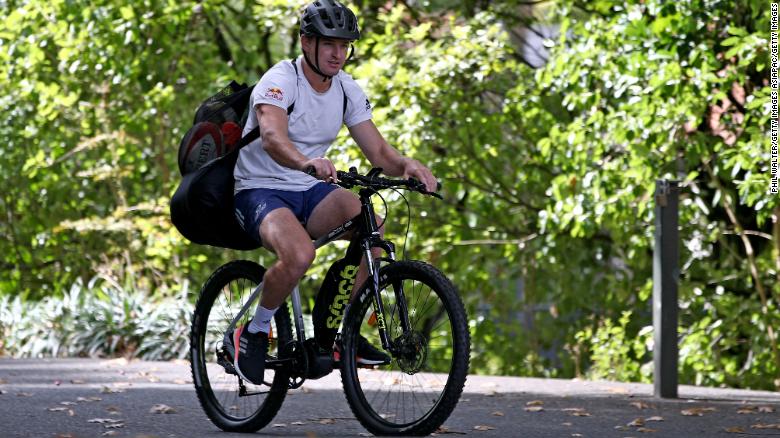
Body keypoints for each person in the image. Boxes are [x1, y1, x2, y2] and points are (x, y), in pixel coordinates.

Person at [228, 0, 437, 385]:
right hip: (260, 188)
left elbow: (379, 152)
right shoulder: (280, 80)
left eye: (344, 46)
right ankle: (254, 332)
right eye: (329, 44)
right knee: (300, 254)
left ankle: (341, 335)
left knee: (369, 224)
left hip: (308, 188)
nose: (338, 53)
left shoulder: (345, 89)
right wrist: (306, 162)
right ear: (307, 42)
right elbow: (273, 137)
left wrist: (408, 166)